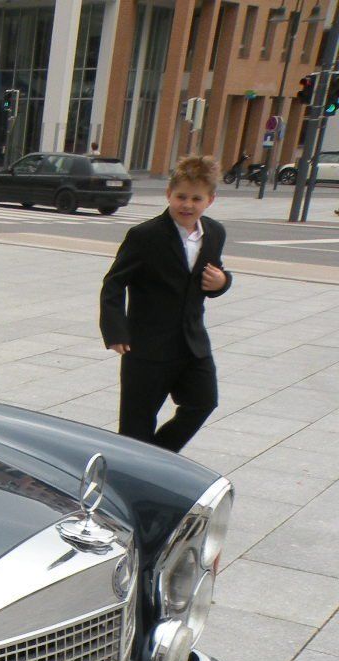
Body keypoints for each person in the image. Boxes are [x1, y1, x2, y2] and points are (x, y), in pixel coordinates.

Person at [99, 154, 231, 452]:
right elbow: (114, 284)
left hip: (192, 345)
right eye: (181, 196)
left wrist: (223, 282)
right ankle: (138, 465)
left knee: (203, 402)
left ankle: (156, 459)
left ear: (210, 200)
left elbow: (212, 276)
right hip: (147, 348)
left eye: (196, 199)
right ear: (168, 194)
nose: (187, 205)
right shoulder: (145, 236)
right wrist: (116, 330)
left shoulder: (215, 234)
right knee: (136, 426)